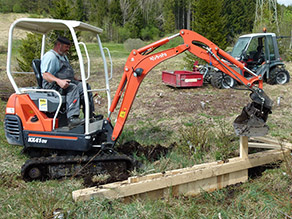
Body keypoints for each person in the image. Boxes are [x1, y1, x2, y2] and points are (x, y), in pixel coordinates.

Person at [41, 36, 94, 128]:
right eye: (66, 47)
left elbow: (65, 72)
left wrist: (75, 79)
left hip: (63, 83)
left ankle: (89, 115)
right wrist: (59, 81)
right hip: (52, 86)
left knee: (84, 86)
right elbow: (45, 75)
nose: (68, 50)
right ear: (59, 45)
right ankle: (72, 118)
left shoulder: (63, 57)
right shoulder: (50, 57)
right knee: (72, 87)